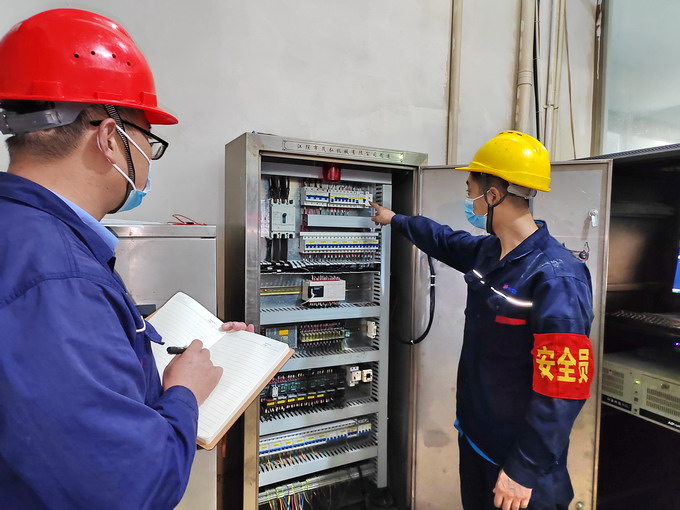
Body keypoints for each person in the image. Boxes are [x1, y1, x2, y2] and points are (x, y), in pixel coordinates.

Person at [0, 9, 252, 509]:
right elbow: (131, 487)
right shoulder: (58, 278)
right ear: (110, 138)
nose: (149, 158)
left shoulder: (28, 236)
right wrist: (185, 392)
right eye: (148, 140)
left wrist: (137, 341)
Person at [371, 131, 594, 510]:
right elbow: (442, 239)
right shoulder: (488, 252)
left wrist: (523, 469)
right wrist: (395, 219)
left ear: (492, 196)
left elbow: (563, 387)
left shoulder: (556, 277)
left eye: (469, 190)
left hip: (520, 465)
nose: (468, 201)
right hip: (476, 437)